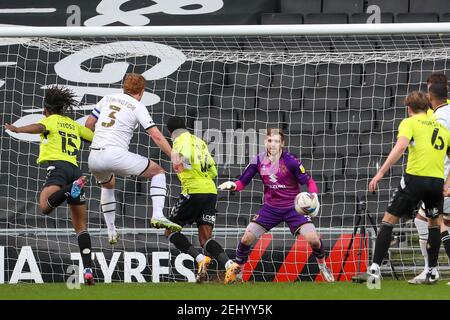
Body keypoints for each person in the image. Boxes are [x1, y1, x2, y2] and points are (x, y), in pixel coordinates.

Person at [4, 86, 95, 285]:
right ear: (63, 108)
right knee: (81, 227)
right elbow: (93, 138)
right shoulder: (73, 125)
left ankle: (70, 189)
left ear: (46, 109)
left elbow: (40, 128)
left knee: (45, 206)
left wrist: (18, 129)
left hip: (59, 168)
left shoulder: (50, 120)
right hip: (75, 170)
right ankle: (88, 269)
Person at [218, 128, 335, 283]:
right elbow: (242, 182)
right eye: (270, 140)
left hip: (293, 208)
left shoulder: (291, 161)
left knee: (313, 239)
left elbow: (309, 181)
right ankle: (237, 271)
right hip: (270, 208)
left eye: (277, 141)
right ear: (265, 142)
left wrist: (314, 196)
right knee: (246, 238)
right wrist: (232, 185)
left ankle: (323, 265)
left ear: (282, 144)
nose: (273, 144)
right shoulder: (257, 160)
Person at [84, 73, 181, 245]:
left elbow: (89, 124)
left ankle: (111, 230)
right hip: (114, 154)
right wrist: (173, 155)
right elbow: (156, 136)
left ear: (124, 86)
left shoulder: (107, 98)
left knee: (108, 185)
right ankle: (158, 215)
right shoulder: (137, 106)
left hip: (94, 157)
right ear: (142, 91)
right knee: (158, 172)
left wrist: (100, 140)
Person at [368, 90, 450, 285]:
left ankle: (374, 272)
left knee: (388, 220)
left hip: (415, 179)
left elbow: (400, 147)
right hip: (436, 182)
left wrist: (380, 173)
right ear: (427, 107)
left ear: (409, 108)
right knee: (433, 224)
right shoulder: (442, 128)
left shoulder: (409, 122)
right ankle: (431, 271)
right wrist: (447, 184)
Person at [164, 116, 240, 284]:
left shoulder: (179, 141)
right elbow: (213, 170)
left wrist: (180, 163)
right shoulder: (199, 141)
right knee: (205, 238)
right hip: (210, 191)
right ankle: (229, 264)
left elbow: (186, 155)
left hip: (194, 190)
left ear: (170, 132)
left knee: (170, 231)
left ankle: (200, 259)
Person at [408, 73, 450, 284]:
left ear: (432, 91)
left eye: (427, 89)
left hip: (441, 177)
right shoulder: (444, 109)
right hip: (441, 178)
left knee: (433, 222)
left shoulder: (439, 118)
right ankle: (430, 270)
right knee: (437, 222)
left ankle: (430, 270)